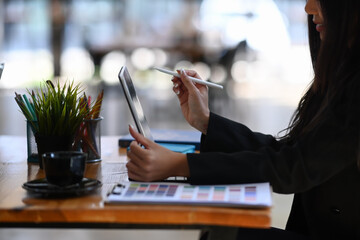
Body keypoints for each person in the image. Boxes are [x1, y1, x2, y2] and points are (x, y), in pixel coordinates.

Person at [126, 0, 360, 239]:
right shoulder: (344, 73)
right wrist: (205, 121)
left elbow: (292, 168)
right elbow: (290, 152)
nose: (308, 8)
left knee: (221, 234)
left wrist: (180, 164)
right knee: (217, 232)